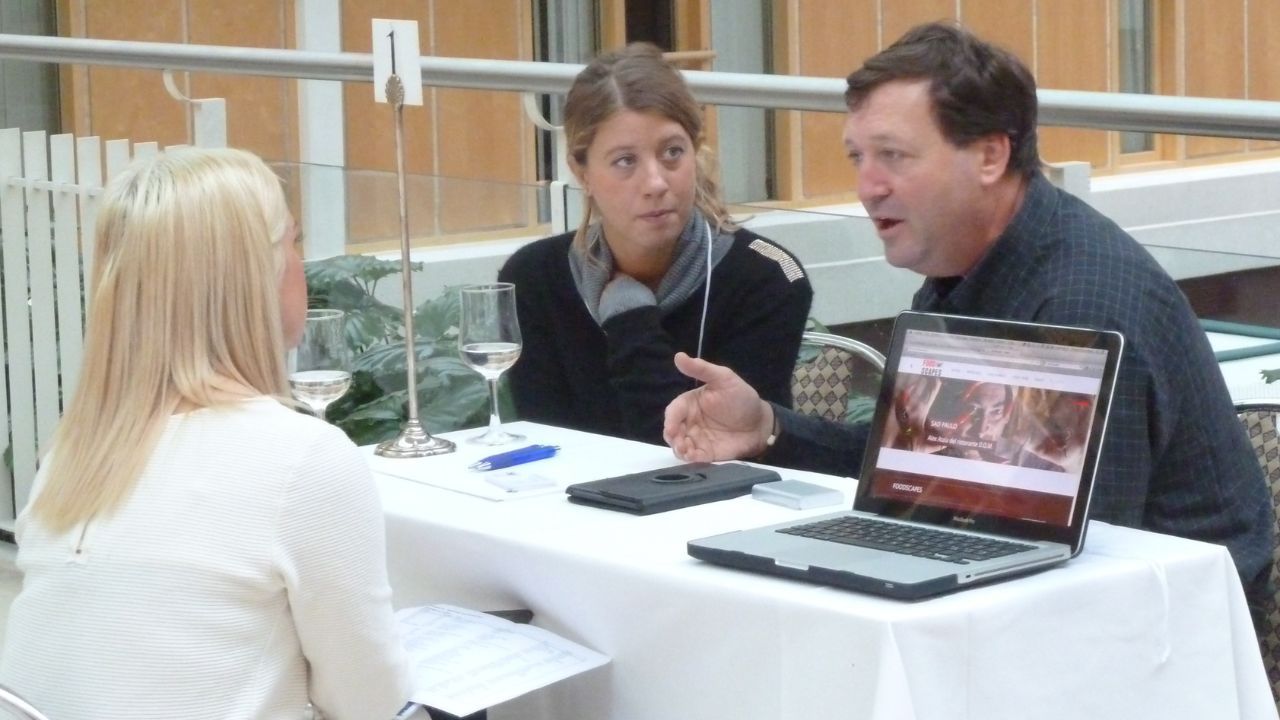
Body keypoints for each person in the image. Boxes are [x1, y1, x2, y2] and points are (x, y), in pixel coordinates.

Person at [663, 22, 1274, 620]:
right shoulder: (970, 261)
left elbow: (1083, 557)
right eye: (858, 158)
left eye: (894, 157)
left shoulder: (1082, 304)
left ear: (989, 155)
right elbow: (924, 470)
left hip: (1170, 631)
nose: (866, 187)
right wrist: (768, 428)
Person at [0, 148, 412, 719]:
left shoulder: (69, 454)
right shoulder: (301, 459)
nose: (301, 263)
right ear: (255, 275)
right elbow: (371, 703)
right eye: (293, 241)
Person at [499, 42, 813, 444]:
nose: (655, 183)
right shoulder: (534, 277)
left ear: (694, 153)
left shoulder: (767, 277)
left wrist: (631, 322)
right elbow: (549, 443)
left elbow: (699, 451)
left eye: (672, 153)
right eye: (625, 161)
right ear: (583, 172)